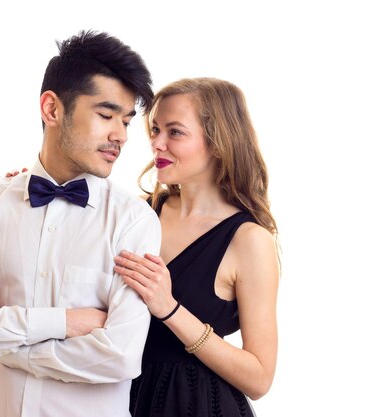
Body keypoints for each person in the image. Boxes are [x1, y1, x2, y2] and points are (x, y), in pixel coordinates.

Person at [0, 30, 162, 417]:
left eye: (126, 121)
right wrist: (65, 323)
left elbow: (119, 357)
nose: (119, 135)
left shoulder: (133, 222)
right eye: (105, 115)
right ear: (52, 109)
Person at [113, 77, 279, 416]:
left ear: (218, 143)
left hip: (200, 406)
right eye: (154, 129)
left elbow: (260, 378)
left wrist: (170, 309)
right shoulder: (136, 214)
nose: (157, 144)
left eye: (174, 132)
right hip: (121, 399)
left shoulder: (249, 241)